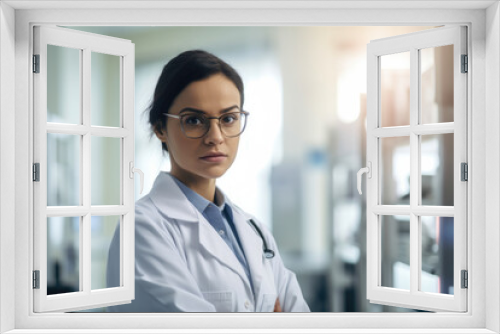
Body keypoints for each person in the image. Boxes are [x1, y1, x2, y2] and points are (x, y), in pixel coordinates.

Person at [107, 50, 310, 312]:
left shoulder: (254, 230)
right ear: (160, 128)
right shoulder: (142, 229)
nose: (215, 136)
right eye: (194, 120)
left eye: (228, 119)